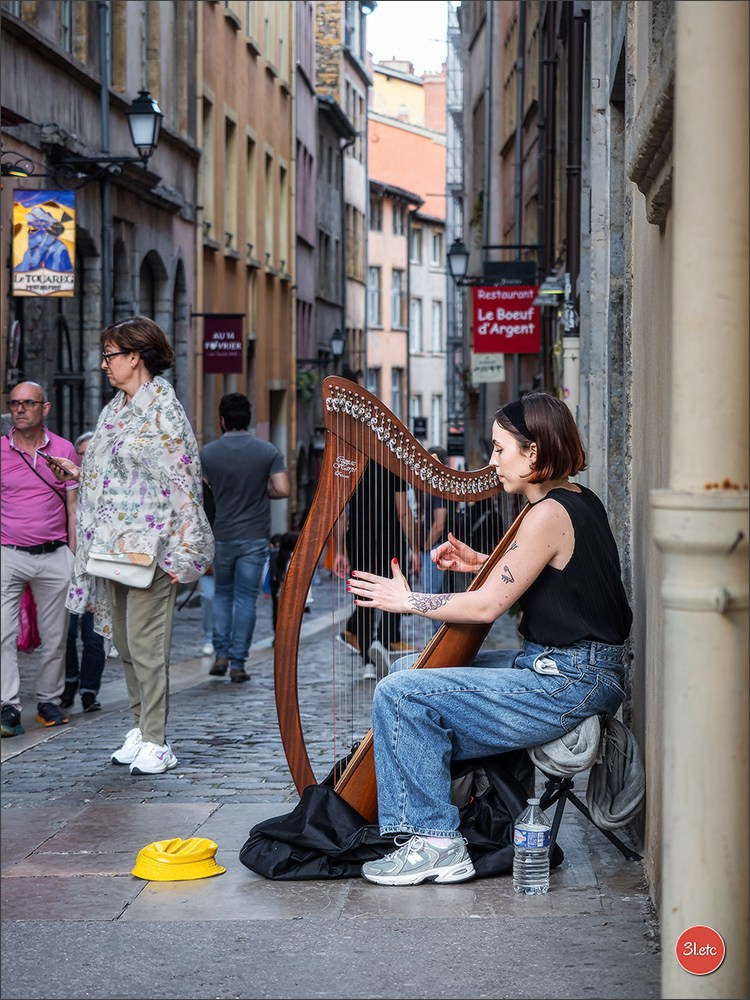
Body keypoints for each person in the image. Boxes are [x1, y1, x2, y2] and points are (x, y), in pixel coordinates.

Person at [347, 392, 632, 886]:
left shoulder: (546, 514)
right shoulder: (576, 500)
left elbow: (486, 607)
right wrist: (481, 563)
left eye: (501, 449)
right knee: (404, 671)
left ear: (534, 453)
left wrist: (407, 599)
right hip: (566, 668)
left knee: (400, 693)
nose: (493, 461)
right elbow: (557, 575)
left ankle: (436, 841)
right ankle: (470, 808)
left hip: (569, 679)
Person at [47, 316, 214, 774]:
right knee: (122, 641)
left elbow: (182, 482)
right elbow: (122, 476)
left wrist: (186, 549)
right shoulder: (115, 409)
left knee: (147, 643)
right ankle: (140, 727)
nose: (103, 364)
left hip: (153, 547)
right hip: (111, 545)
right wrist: (80, 473)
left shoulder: (163, 410)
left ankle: (158, 740)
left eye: (110, 355)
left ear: (134, 357)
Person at [1, 382, 79, 737]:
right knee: (2, 634)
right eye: (14, 403)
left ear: (44, 408)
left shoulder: (63, 450)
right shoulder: (0, 451)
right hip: (8, 554)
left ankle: (48, 701)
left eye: (28, 403)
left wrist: (76, 559)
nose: (20, 409)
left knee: (56, 636)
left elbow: (74, 507)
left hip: (54, 554)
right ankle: (8, 706)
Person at [200, 393, 290, 683]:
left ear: (222, 420)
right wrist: (262, 491)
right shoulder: (266, 451)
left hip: (221, 534)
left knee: (222, 594)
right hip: (254, 536)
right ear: (248, 419)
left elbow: (201, 494)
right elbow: (283, 488)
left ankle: (221, 654)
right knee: (246, 599)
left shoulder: (208, 453)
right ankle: (238, 661)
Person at [333, 462, 420, 679]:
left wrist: (339, 550)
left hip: (359, 541)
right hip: (391, 541)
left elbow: (341, 514)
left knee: (364, 597)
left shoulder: (351, 465)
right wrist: (415, 548)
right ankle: (382, 641)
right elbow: (403, 513)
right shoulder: (394, 465)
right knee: (394, 592)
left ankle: (367, 662)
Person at [62, 432, 107, 713]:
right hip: (69, 566)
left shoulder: (109, 487)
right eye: (82, 454)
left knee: (93, 635)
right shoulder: (68, 486)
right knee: (65, 633)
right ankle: (69, 683)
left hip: (99, 570)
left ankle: (89, 690)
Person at [418, 445, 451, 636]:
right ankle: (438, 638)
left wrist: (425, 547)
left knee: (432, 597)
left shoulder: (440, 489)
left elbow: (439, 524)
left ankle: (438, 639)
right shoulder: (436, 487)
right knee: (435, 595)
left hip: (436, 549)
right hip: (435, 547)